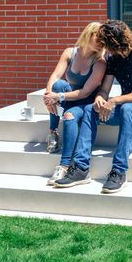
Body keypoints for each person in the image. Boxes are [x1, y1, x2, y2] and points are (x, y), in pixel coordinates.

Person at [53, 19, 132, 194]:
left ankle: (119, 171)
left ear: (116, 43)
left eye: (107, 45)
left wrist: (115, 100)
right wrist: (100, 98)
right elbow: (105, 89)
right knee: (90, 109)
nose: (104, 49)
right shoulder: (113, 58)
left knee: (128, 109)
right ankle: (81, 168)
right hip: (126, 105)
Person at [43, 22, 107, 185]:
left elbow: (85, 92)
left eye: (103, 38)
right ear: (89, 33)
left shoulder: (100, 62)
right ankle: (53, 131)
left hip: (86, 102)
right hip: (69, 95)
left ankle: (64, 166)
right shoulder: (70, 53)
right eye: (97, 36)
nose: (101, 40)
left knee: (69, 115)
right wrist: (48, 95)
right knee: (57, 86)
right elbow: (56, 75)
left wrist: (59, 97)